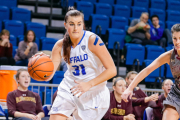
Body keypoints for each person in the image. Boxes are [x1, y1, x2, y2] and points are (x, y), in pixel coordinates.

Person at [33, 7, 116, 120]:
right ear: (65, 25)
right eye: (71, 24)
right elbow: (48, 76)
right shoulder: (59, 46)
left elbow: (112, 70)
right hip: (69, 88)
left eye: (79, 24)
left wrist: (89, 84)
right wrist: (40, 63)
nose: (76, 28)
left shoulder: (92, 40)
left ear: (83, 25)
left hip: (94, 91)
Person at [122, 23, 180, 120]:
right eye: (175, 38)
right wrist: (130, 88)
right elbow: (147, 70)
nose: (177, 42)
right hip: (177, 93)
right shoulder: (169, 56)